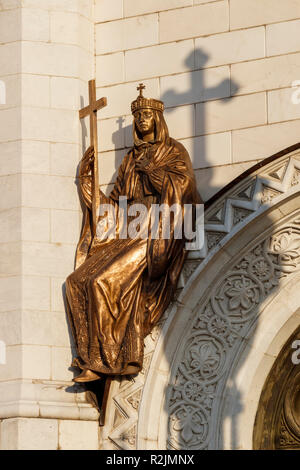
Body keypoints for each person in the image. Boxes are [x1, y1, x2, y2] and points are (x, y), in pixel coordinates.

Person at [65, 85, 201, 382]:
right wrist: (87, 182)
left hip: (157, 229)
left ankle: (109, 358)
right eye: (137, 115)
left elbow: (184, 187)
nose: (141, 120)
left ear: (157, 119)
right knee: (77, 280)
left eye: (147, 115)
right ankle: (91, 358)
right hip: (129, 230)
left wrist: (152, 172)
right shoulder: (128, 160)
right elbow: (114, 205)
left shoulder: (173, 151)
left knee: (103, 281)